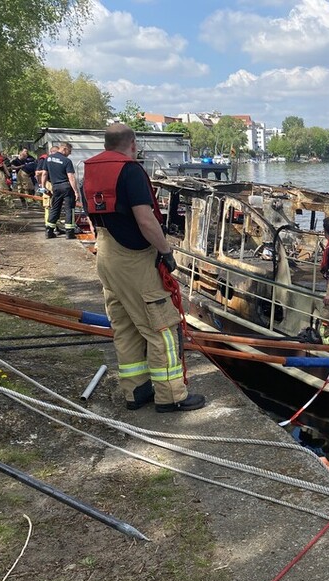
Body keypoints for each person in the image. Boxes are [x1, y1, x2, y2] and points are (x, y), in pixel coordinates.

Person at [82, 123, 205, 413]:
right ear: (133, 144)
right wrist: (165, 251)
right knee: (162, 327)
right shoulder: (131, 170)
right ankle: (171, 395)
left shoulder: (91, 169)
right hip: (134, 258)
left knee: (124, 326)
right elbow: (146, 219)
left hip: (106, 252)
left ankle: (136, 391)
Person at [45, 142, 78, 239]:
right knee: (69, 209)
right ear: (64, 149)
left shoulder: (48, 159)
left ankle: (49, 231)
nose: (70, 154)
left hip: (55, 187)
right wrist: (75, 191)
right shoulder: (66, 161)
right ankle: (69, 233)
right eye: (69, 151)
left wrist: (43, 186)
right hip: (66, 187)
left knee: (55, 209)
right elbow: (71, 177)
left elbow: (44, 174)